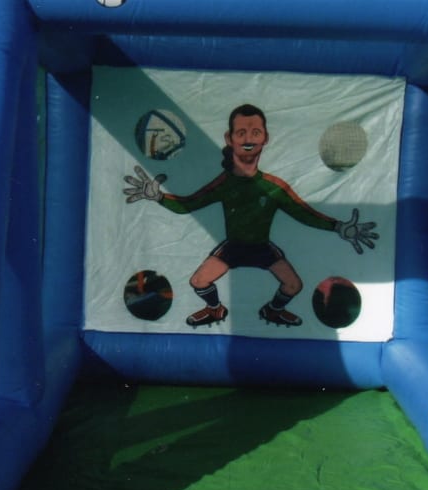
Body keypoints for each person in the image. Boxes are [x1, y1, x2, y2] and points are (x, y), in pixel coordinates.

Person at [124, 104, 377, 328]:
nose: (248, 138)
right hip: (232, 248)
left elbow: (303, 214)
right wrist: (158, 197)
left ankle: (273, 310)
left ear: (265, 138)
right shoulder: (224, 183)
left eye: (255, 132)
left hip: (262, 248)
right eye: (241, 132)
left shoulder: (273, 186)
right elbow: (188, 205)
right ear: (229, 138)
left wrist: (339, 227)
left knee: (294, 285)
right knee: (199, 281)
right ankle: (215, 309)